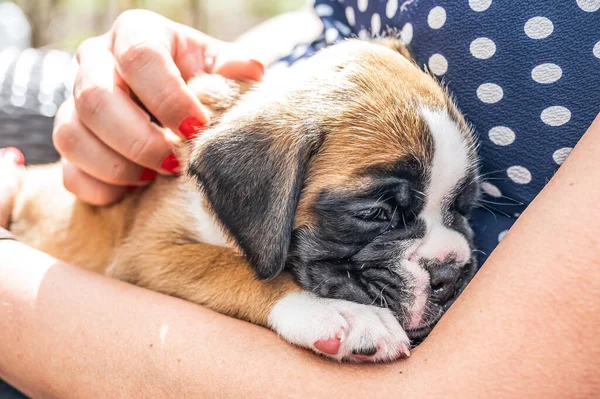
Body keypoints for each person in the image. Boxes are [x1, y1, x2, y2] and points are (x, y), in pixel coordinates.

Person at [0, 1, 599, 397]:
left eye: (458, 212)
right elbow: (151, 260)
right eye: (372, 214)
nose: (448, 256)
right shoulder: (252, 160)